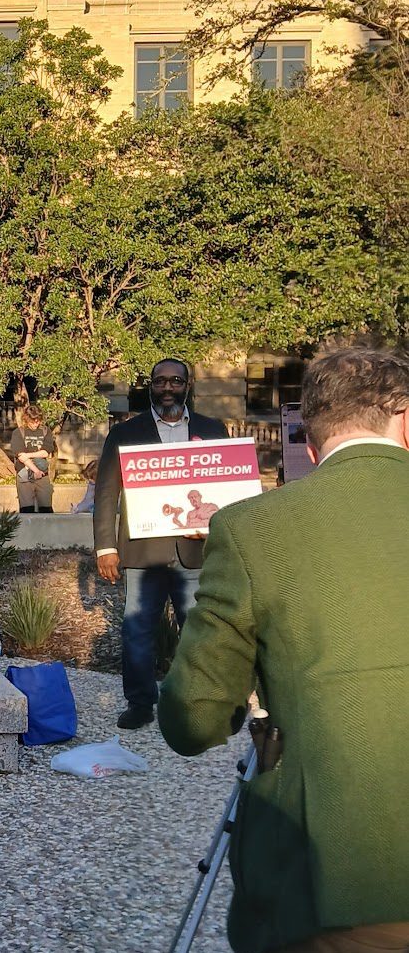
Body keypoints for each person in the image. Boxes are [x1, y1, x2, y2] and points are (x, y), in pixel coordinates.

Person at [160, 347, 409, 953]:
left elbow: (193, 718)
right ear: (405, 421)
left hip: (334, 882)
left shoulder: (252, 528)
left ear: (312, 443)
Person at [93, 357, 228, 730]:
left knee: (199, 632)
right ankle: (140, 703)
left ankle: (197, 703)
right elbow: (106, 492)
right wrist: (106, 547)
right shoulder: (125, 433)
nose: (168, 387)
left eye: (175, 381)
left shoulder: (213, 430)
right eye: (160, 381)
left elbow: (227, 490)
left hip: (196, 550)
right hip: (144, 551)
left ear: (188, 385)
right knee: (137, 632)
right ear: (150, 386)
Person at [8, 406, 56, 513]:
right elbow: (21, 457)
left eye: (37, 421)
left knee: (46, 508)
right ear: (26, 419)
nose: (35, 424)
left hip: (43, 474)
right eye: (32, 422)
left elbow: (45, 452)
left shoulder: (45, 431)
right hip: (25, 473)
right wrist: (36, 471)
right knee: (26, 509)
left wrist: (28, 455)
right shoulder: (18, 432)